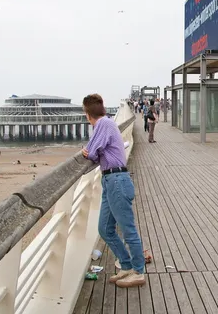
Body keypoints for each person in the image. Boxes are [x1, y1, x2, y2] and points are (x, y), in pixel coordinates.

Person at [81, 93, 146, 288]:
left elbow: (91, 152)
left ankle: (138, 271)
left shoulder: (103, 124)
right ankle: (126, 265)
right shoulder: (107, 124)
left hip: (117, 180)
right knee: (105, 229)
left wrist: (88, 150)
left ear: (87, 113)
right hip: (111, 180)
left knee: (128, 230)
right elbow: (96, 150)